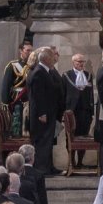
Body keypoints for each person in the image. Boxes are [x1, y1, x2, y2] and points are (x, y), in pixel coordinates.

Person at [25, 45, 67, 180]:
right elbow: (38, 96)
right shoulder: (38, 72)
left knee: (48, 142)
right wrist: (41, 113)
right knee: (42, 142)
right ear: (46, 58)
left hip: (49, 113)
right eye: (52, 56)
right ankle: (41, 169)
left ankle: (48, 167)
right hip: (41, 115)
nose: (54, 58)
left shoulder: (46, 71)